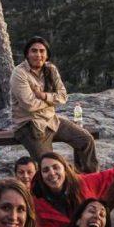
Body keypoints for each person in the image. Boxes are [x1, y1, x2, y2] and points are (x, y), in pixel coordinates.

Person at [10, 36, 98, 173]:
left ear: (47, 54)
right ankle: (59, 190)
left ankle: (88, 180)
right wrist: (52, 101)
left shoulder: (51, 69)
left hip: (52, 120)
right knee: (49, 163)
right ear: (27, 54)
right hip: (29, 125)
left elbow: (63, 96)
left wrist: (43, 96)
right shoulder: (19, 73)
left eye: (42, 51)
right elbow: (29, 105)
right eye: (34, 51)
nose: (38, 55)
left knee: (86, 140)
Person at [31, 151, 114, 227]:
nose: (51, 173)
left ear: (65, 169)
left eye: (56, 167)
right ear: (41, 175)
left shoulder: (84, 183)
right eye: (45, 170)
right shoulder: (38, 204)